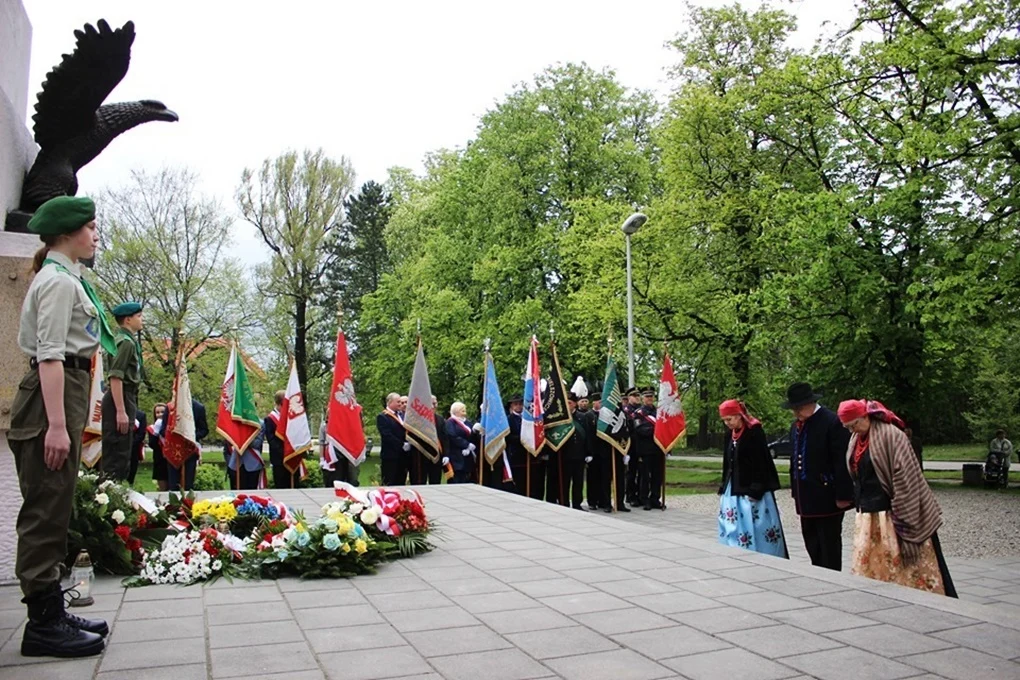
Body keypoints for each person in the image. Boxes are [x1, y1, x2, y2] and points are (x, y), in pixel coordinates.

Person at [9, 196, 109, 657]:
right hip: (52, 394)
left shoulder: (67, 278)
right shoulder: (57, 282)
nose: (95, 235)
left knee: (56, 503)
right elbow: (50, 355)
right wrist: (55, 426)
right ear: (67, 233)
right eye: (90, 227)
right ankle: (43, 624)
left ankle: (51, 609)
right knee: (45, 509)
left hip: (66, 388)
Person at [838, 399, 957, 597]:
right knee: (875, 567)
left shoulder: (891, 435)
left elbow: (906, 482)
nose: (852, 430)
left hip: (893, 513)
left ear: (865, 416)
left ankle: (920, 602)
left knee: (909, 567)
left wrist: (907, 528)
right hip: (870, 515)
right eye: (847, 427)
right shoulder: (856, 439)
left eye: (854, 424)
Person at [783, 382, 853, 571]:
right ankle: (818, 573)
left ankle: (832, 577)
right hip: (805, 496)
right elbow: (794, 459)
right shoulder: (795, 426)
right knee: (811, 542)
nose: (796, 412)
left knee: (828, 544)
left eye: (798, 408)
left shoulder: (832, 422)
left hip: (826, 495)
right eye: (793, 409)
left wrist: (844, 495)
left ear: (810, 403)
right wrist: (795, 490)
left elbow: (841, 461)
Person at [717, 400, 787, 557]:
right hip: (733, 486)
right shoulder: (729, 434)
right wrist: (723, 484)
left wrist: (756, 488)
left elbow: (761, 461)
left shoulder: (754, 432)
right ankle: (733, 549)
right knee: (732, 522)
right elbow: (727, 462)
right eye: (724, 420)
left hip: (752, 487)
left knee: (756, 522)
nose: (727, 423)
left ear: (739, 415)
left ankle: (762, 552)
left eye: (729, 419)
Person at [100, 301, 144, 481]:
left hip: (124, 396)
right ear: (128, 320)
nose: (142, 320)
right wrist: (120, 410)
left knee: (120, 449)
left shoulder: (123, 340)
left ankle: (112, 488)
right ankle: (111, 490)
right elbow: (116, 376)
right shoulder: (126, 343)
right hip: (122, 396)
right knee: (118, 451)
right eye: (139, 316)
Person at [164, 397, 207, 492]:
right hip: (173, 451)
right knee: (173, 485)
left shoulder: (198, 407)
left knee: (188, 485)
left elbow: (204, 430)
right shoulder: (170, 407)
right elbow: (163, 429)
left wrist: (190, 436)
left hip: (190, 450)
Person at [562, 393, 590, 510]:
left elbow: (588, 436)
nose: (567, 405)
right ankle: (564, 503)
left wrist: (589, 453)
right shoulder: (561, 417)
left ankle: (577, 504)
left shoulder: (582, 417)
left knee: (578, 481)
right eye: (566, 402)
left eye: (570, 403)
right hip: (565, 455)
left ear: (574, 404)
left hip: (579, 454)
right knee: (565, 481)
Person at [377, 393, 409, 485]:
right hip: (390, 456)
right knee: (389, 483)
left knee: (401, 483)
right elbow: (387, 435)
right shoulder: (383, 417)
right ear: (390, 402)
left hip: (402, 456)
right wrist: (402, 444)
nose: (400, 404)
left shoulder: (401, 415)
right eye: (398, 402)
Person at [446, 402, 480, 484]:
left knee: (468, 479)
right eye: (462, 409)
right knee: (456, 480)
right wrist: (466, 445)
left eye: (464, 409)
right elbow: (452, 436)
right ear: (456, 411)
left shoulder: (468, 423)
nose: (464, 411)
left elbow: (472, 437)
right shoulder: (450, 422)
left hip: (468, 457)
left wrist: (474, 432)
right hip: (456, 457)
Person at [585, 395, 607, 510]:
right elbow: (587, 435)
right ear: (594, 403)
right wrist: (588, 452)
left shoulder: (606, 415)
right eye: (599, 401)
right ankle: (592, 501)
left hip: (604, 452)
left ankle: (603, 501)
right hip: (593, 452)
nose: (600, 403)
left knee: (604, 478)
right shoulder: (588, 415)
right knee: (593, 478)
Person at [265, 390, 289, 489]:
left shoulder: (290, 417)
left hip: (291, 457)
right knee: (281, 486)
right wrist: (284, 452)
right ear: (279, 404)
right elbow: (271, 440)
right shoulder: (270, 419)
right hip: (279, 459)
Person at [148, 403, 168, 491]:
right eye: (157, 412)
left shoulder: (172, 426)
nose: (160, 414)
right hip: (159, 458)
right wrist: (156, 432)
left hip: (171, 458)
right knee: (162, 487)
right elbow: (152, 444)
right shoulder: (152, 428)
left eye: (163, 412)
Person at [128, 408, 146, 486]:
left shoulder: (140, 415)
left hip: (133, 450)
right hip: (116, 450)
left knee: (130, 476)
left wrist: (130, 444)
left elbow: (141, 434)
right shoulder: (113, 411)